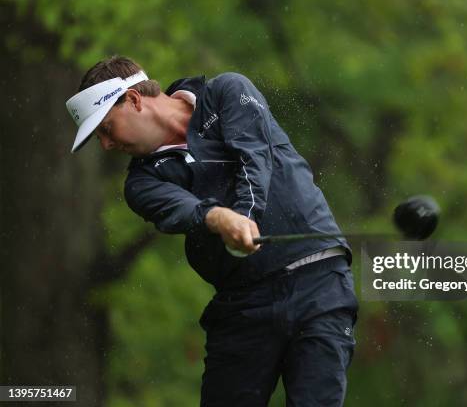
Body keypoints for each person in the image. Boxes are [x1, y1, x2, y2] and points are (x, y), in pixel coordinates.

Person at [66, 55, 359, 406]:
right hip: (242, 304)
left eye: (106, 129)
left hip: (319, 280)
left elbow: (254, 158)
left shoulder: (226, 92)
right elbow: (186, 211)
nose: (106, 145)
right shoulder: (142, 183)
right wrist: (221, 218)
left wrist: (244, 216)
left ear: (133, 100)